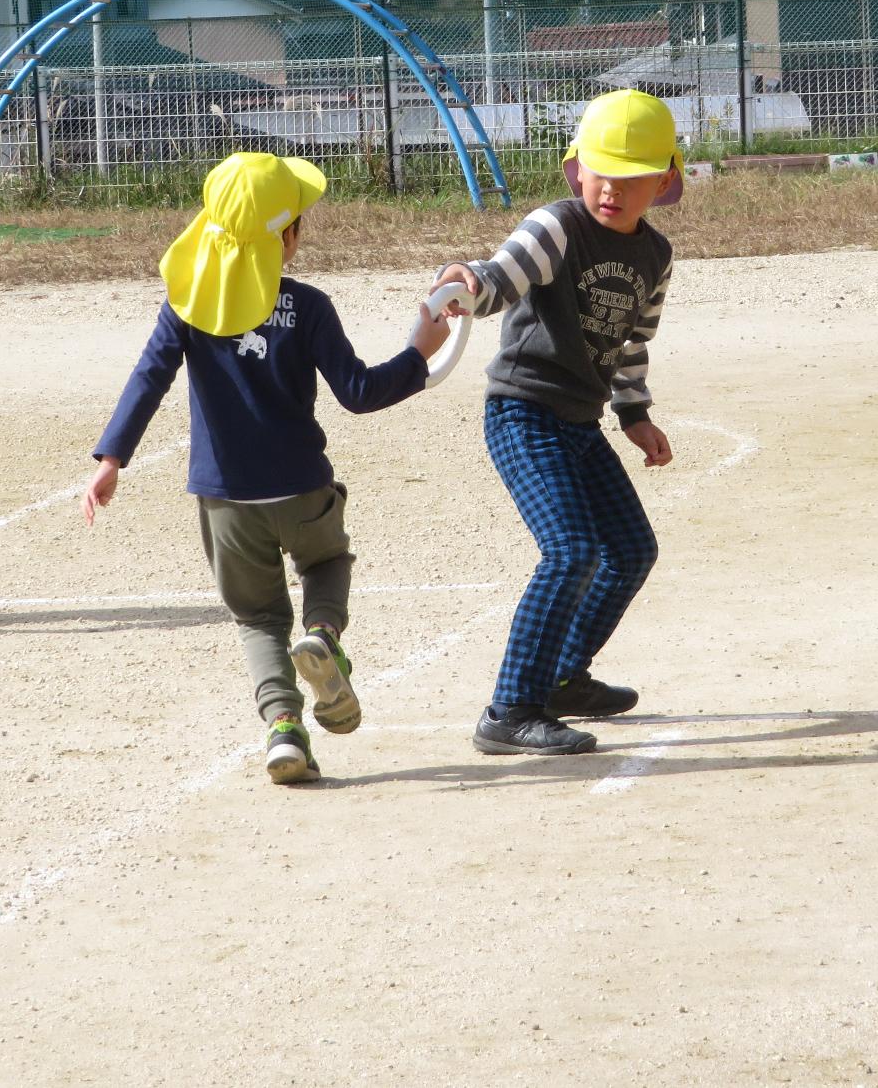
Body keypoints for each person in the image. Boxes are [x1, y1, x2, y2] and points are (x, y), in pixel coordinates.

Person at [83, 152, 451, 784]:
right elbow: (359, 391)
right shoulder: (306, 307)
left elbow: (149, 378)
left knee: (257, 618)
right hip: (302, 486)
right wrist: (420, 352)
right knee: (327, 562)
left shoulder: (187, 303)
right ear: (288, 237)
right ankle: (324, 635)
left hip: (225, 499)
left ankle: (283, 729)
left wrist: (112, 456)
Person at [431, 89, 680, 757]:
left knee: (631, 549)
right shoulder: (558, 226)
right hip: (523, 412)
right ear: (576, 170)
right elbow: (498, 278)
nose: (612, 190)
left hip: (580, 420)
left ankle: (565, 678)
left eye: (632, 179)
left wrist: (634, 412)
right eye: (602, 172)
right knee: (571, 551)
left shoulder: (655, 255)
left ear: (663, 182)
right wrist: (464, 282)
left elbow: (630, 341)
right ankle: (511, 709)